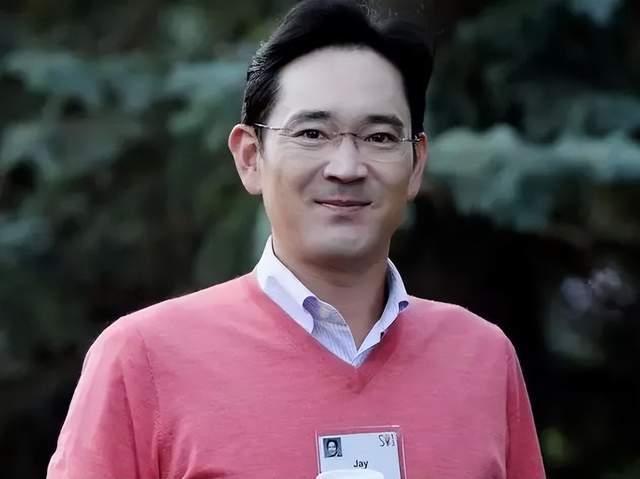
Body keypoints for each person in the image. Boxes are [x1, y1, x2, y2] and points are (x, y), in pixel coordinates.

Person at [47, 1, 546, 478]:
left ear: (416, 165)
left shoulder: (481, 357)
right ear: (250, 157)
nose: (347, 167)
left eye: (379, 137)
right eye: (312, 134)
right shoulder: (143, 358)